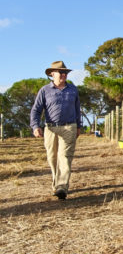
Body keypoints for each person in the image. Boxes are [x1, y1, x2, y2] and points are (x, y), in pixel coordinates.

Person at [30, 61, 82, 200]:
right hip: (50, 127)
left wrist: (78, 126)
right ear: (52, 74)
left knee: (65, 157)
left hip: (69, 126)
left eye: (65, 72)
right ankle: (56, 183)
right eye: (61, 72)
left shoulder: (73, 90)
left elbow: (78, 109)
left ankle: (62, 187)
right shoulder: (45, 90)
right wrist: (35, 126)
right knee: (52, 157)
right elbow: (36, 110)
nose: (64, 75)